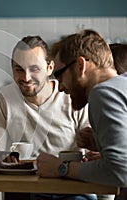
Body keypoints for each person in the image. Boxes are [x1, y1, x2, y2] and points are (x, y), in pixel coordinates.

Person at [0, 36, 95, 199]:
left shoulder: (71, 95)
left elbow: (95, 157)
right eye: (19, 69)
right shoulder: (4, 98)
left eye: (34, 69)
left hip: (72, 189)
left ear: (50, 67)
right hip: (26, 189)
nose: (26, 77)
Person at [36, 29, 127, 200]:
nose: (60, 87)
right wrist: (101, 143)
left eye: (59, 75)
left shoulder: (104, 93)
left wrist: (61, 168)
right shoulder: (121, 85)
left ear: (80, 66)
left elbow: (120, 172)